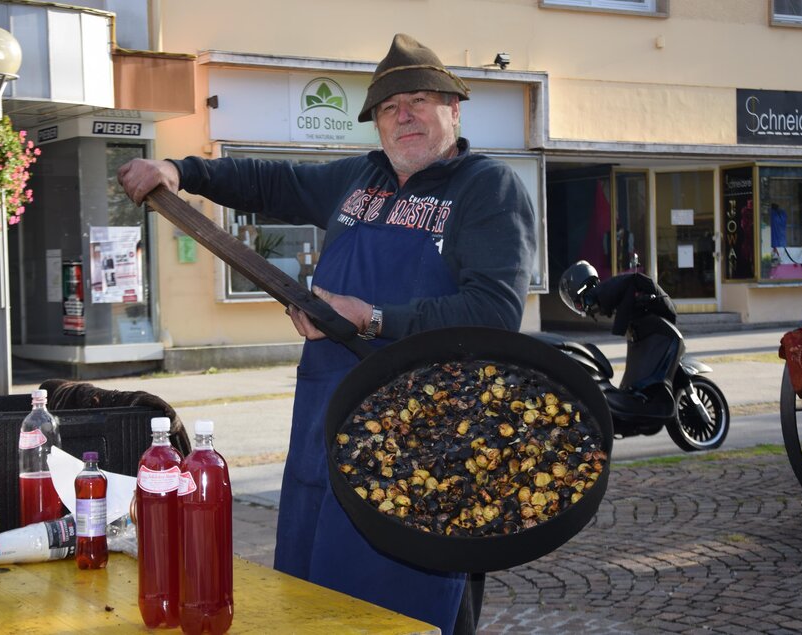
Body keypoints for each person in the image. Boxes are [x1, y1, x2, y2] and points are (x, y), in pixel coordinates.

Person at [118, 33, 537, 635]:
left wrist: (371, 316)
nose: (405, 115)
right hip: (327, 428)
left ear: (453, 108)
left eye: (419, 100)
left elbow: (493, 313)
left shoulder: (486, 188)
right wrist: (180, 169)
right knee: (317, 602)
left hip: (428, 441)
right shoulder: (357, 180)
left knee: (418, 609)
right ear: (377, 124)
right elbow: (268, 180)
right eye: (391, 108)